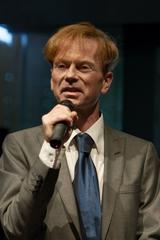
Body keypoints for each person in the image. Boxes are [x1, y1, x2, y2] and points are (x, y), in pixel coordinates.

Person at [0, 22, 160, 240]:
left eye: (83, 67)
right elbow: (16, 229)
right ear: (51, 79)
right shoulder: (19, 146)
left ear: (105, 81)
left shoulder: (141, 154)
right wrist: (50, 149)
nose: (70, 76)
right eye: (62, 66)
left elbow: (153, 232)